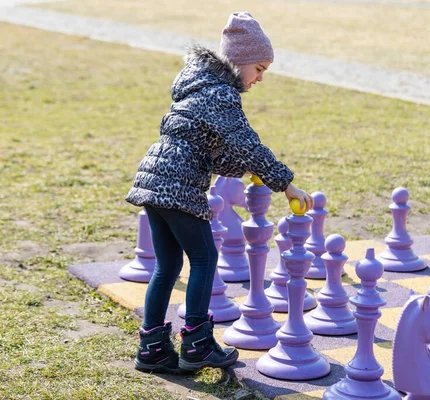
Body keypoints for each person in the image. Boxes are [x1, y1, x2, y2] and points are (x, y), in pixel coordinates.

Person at [125, 11, 314, 374]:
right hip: (178, 183)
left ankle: (152, 350)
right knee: (204, 259)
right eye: (259, 68)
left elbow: (220, 151)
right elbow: (247, 144)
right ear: (240, 60)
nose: (260, 78)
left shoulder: (199, 87)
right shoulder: (221, 94)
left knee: (166, 266)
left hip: (153, 178)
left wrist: (245, 169)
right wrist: (286, 182)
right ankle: (196, 344)